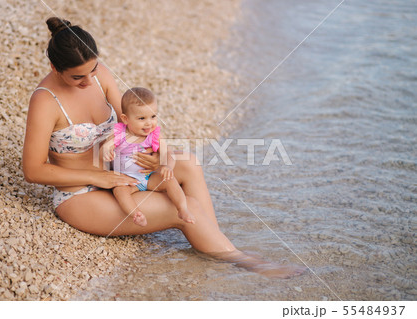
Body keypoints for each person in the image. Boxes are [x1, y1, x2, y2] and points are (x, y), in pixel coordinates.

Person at [22, 16, 305, 278]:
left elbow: (134, 122)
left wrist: (157, 157)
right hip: (82, 196)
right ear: (54, 67)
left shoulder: (100, 75)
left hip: (122, 170)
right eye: (77, 77)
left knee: (189, 164)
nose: (87, 81)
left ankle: (212, 242)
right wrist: (96, 177)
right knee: (181, 208)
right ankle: (243, 262)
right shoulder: (45, 101)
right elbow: (33, 171)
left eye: (92, 70)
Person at [102, 87, 195, 227]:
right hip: (128, 180)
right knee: (119, 191)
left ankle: (182, 208)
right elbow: (105, 146)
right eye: (141, 118)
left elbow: (167, 153)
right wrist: (106, 151)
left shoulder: (154, 135)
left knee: (170, 180)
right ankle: (136, 214)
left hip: (149, 177)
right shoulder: (120, 133)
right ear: (126, 119)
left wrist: (167, 166)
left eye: (153, 116)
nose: (149, 123)